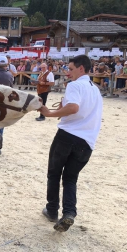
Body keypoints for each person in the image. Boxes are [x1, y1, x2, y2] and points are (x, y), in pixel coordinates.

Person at [38, 55, 103, 232]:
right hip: (87, 140)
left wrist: (49, 113)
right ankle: (69, 213)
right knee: (70, 178)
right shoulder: (95, 90)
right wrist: (62, 107)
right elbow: (78, 109)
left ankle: (52, 210)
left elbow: (74, 108)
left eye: (71, 69)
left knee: (54, 173)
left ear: (81, 69)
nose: (68, 73)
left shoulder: (75, 85)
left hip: (67, 136)